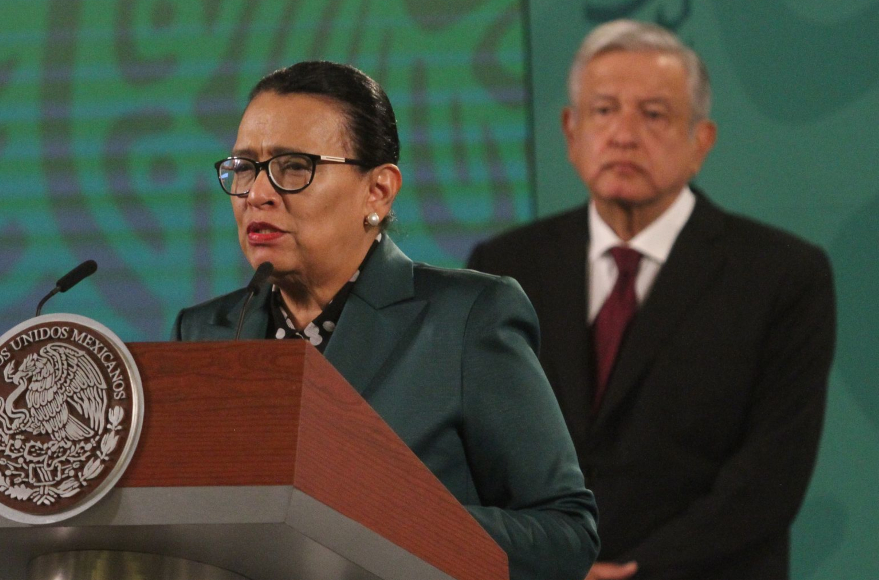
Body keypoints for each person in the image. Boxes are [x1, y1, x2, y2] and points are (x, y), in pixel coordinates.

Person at [172, 60, 599, 579]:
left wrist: (391, 520)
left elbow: (565, 535)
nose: (257, 194)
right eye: (244, 167)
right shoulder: (203, 334)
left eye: (292, 167)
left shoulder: (465, 320)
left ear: (378, 191)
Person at [468, 20, 835, 580]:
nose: (623, 134)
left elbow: (769, 477)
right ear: (570, 131)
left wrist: (640, 573)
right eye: (604, 110)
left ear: (701, 141)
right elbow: (476, 450)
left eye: (654, 114)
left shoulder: (783, 276)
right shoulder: (504, 267)